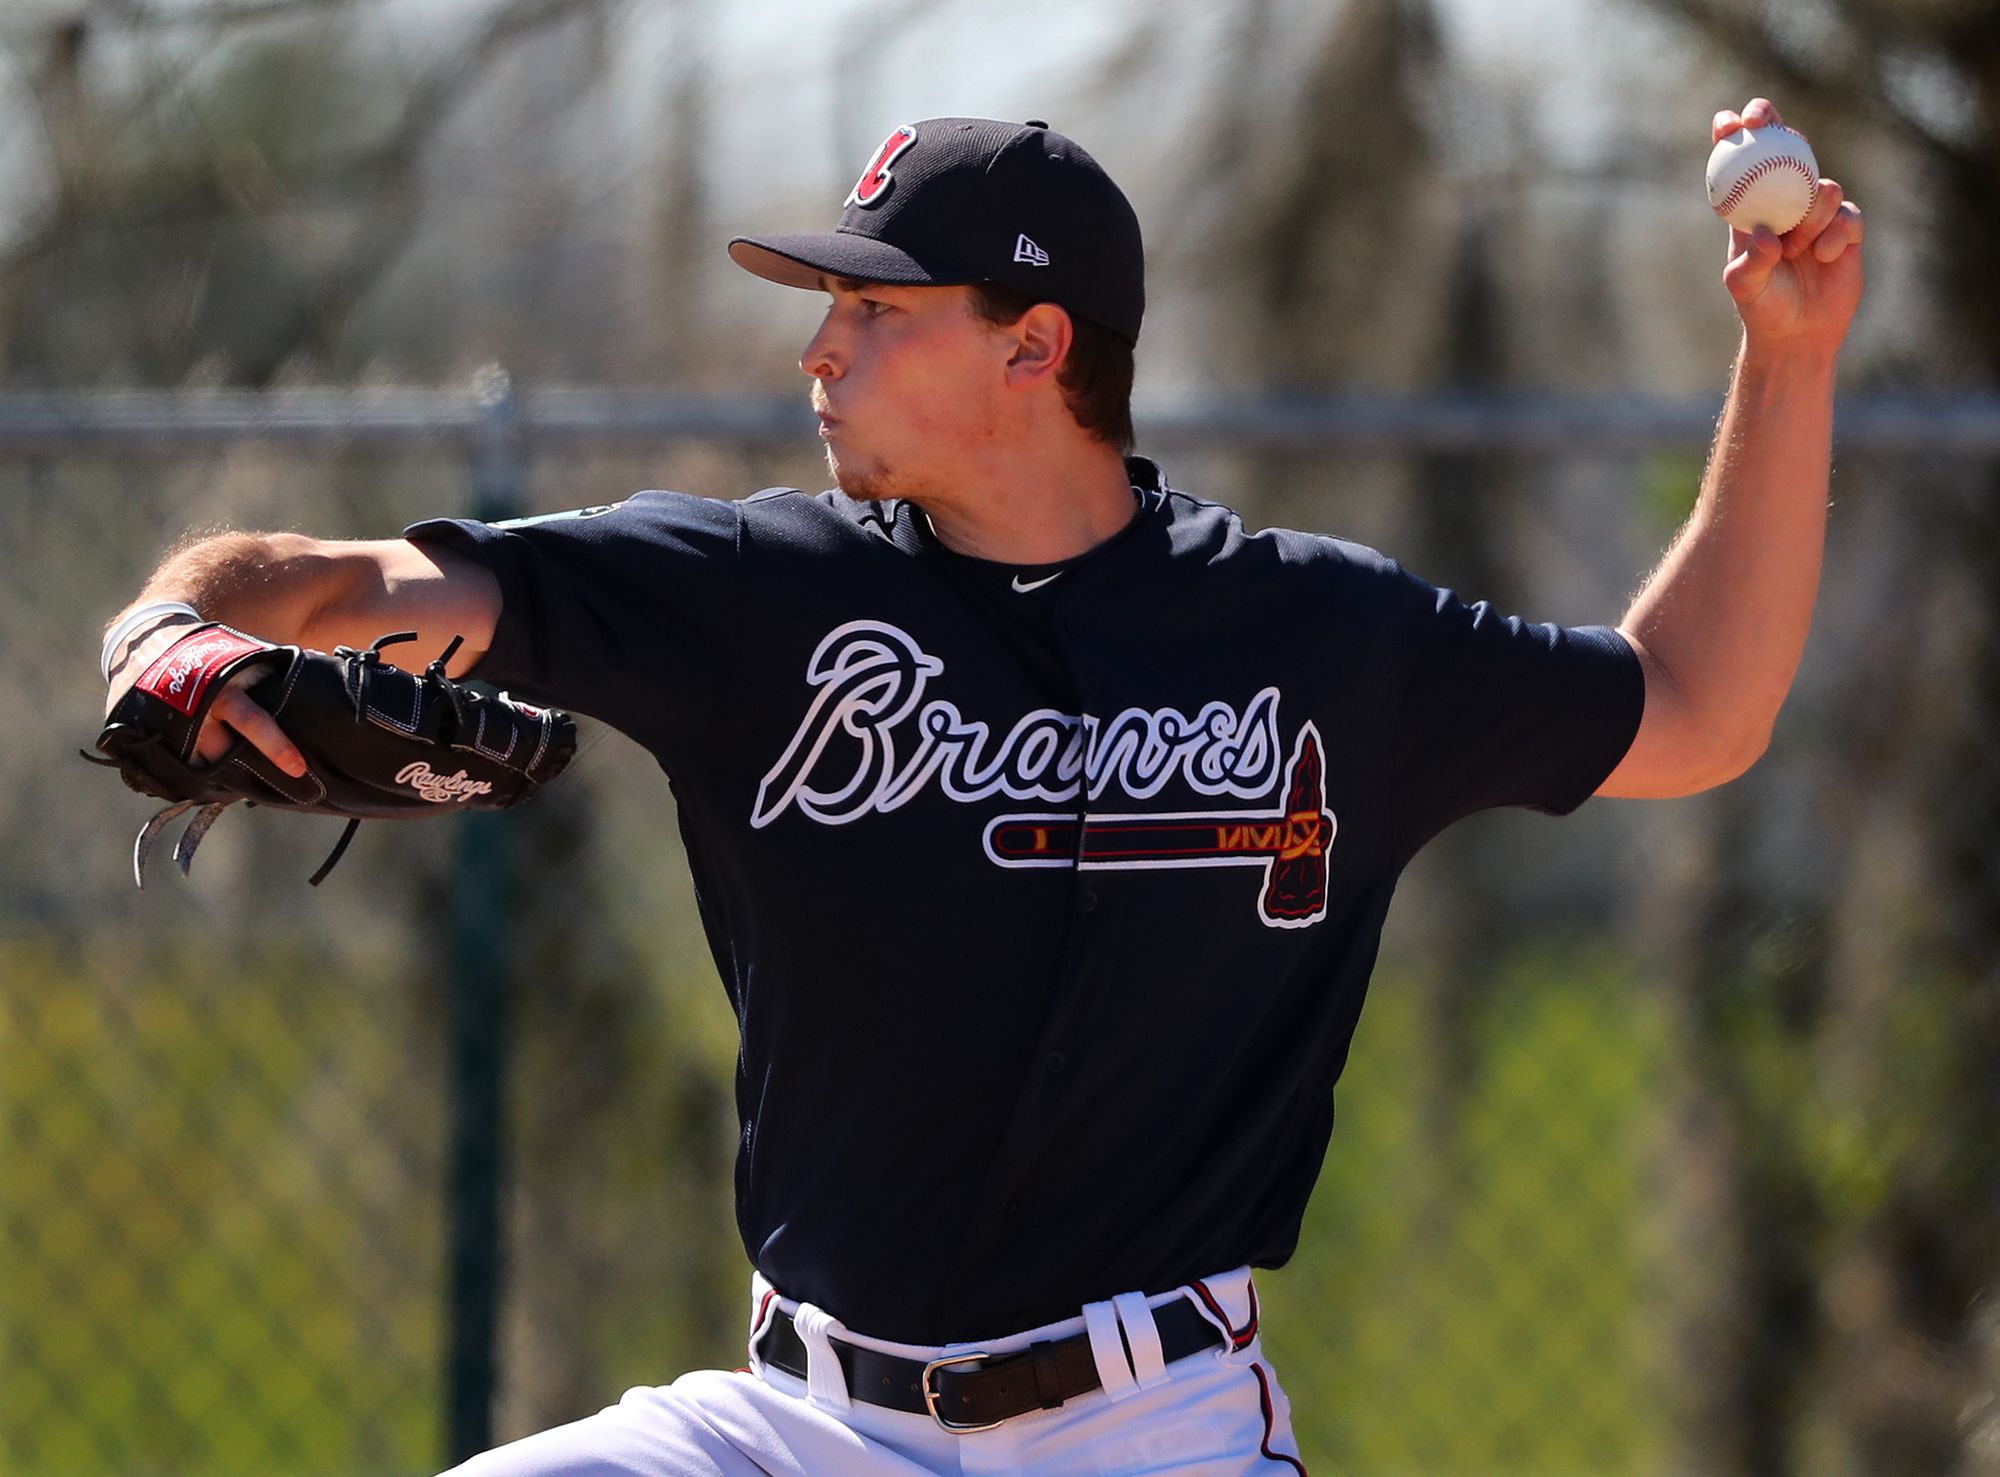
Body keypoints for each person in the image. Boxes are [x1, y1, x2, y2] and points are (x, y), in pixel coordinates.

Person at [99, 100, 1862, 1476]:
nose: (820, 351)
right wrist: (172, 633)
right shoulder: (752, 594)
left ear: (1035, 349)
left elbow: (1697, 704)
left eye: (874, 308)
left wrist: (1788, 358)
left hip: (1150, 1424)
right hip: (804, 1418)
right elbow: (336, 582)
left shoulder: (1320, 639)